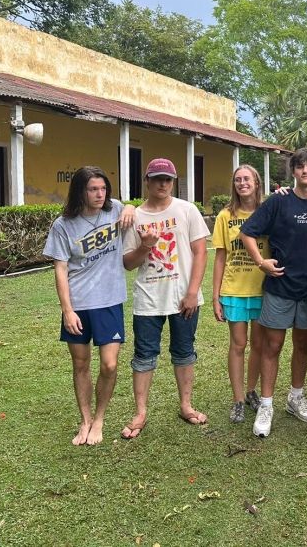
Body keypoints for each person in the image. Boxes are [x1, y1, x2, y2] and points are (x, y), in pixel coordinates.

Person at [240, 148, 307, 438]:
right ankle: (266, 405)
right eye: (300, 166)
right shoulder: (278, 202)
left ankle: (295, 397)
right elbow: (248, 231)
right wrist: (261, 262)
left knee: (303, 345)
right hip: (280, 286)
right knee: (272, 346)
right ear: (293, 172)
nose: (306, 170)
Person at [43, 166, 135, 445]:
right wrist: (67, 310)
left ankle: (99, 420)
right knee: (80, 364)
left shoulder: (115, 209)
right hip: (78, 303)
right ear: (80, 191)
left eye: (103, 188)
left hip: (109, 302)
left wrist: (130, 206)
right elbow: (60, 269)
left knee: (109, 365)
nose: (99, 194)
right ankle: (85, 420)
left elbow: (133, 209)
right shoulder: (64, 225)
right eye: (93, 189)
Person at [121, 158, 210, 439]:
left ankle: (185, 405)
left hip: (184, 297)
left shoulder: (186, 210)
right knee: (144, 356)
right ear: (146, 181)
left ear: (174, 182)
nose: (162, 183)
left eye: (168, 179)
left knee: (184, 351)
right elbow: (128, 263)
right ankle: (140, 412)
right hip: (148, 298)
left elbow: (200, 252)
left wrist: (193, 291)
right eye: (157, 178)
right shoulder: (135, 217)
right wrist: (146, 246)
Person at [212, 165, 268, 423]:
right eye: (237, 180)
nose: (242, 183)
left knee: (258, 345)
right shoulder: (225, 215)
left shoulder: (269, 211)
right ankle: (237, 399)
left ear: (257, 182)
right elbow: (220, 257)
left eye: (247, 179)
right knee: (238, 344)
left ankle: (251, 391)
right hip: (234, 289)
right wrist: (215, 296)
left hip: (262, 289)